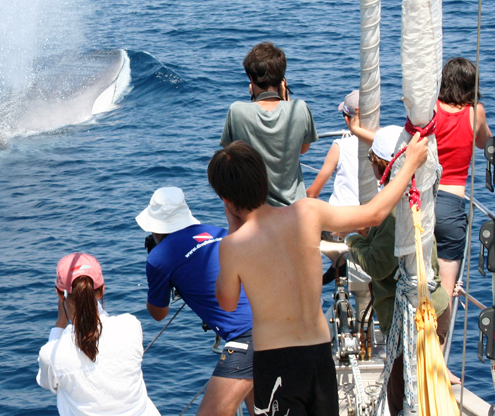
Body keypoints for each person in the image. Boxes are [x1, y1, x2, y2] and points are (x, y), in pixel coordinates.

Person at [210, 134, 429, 415]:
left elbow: (227, 303)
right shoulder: (308, 212)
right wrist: (411, 162)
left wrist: (232, 228)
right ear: (263, 179)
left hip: (275, 362)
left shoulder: (233, 245)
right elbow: (374, 214)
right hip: (318, 354)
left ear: (226, 199)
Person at [343, 126, 452, 415]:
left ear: (382, 163)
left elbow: (378, 265)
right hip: (432, 309)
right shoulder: (411, 193)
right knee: (425, 397)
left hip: (413, 319)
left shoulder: (395, 209)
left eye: (371, 159)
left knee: (403, 401)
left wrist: (352, 241)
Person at [138, 187, 254, 416]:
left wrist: (163, 278)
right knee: (260, 407)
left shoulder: (158, 258)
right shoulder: (217, 231)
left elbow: (158, 313)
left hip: (246, 336)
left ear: (154, 227)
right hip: (271, 322)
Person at [37, 253, 160, 416]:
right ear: (101, 291)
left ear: (60, 294)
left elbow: (48, 384)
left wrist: (60, 323)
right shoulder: (131, 325)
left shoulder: (51, 354)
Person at [220, 42, 318, 207]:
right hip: (294, 211)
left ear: (251, 78)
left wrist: (253, 99)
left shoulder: (237, 111)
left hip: (255, 210)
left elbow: (230, 155)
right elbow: (303, 149)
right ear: (281, 79)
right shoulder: (300, 108)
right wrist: (286, 100)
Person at [433, 57, 492, 303]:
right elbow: (483, 142)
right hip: (451, 206)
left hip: (422, 200)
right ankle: (437, 340)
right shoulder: (475, 112)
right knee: (445, 293)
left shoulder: (432, 108)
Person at [306, 90, 360, 205]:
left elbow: (312, 194)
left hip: (342, 217)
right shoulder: (388, 140)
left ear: (347, 119)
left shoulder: (340, 147)